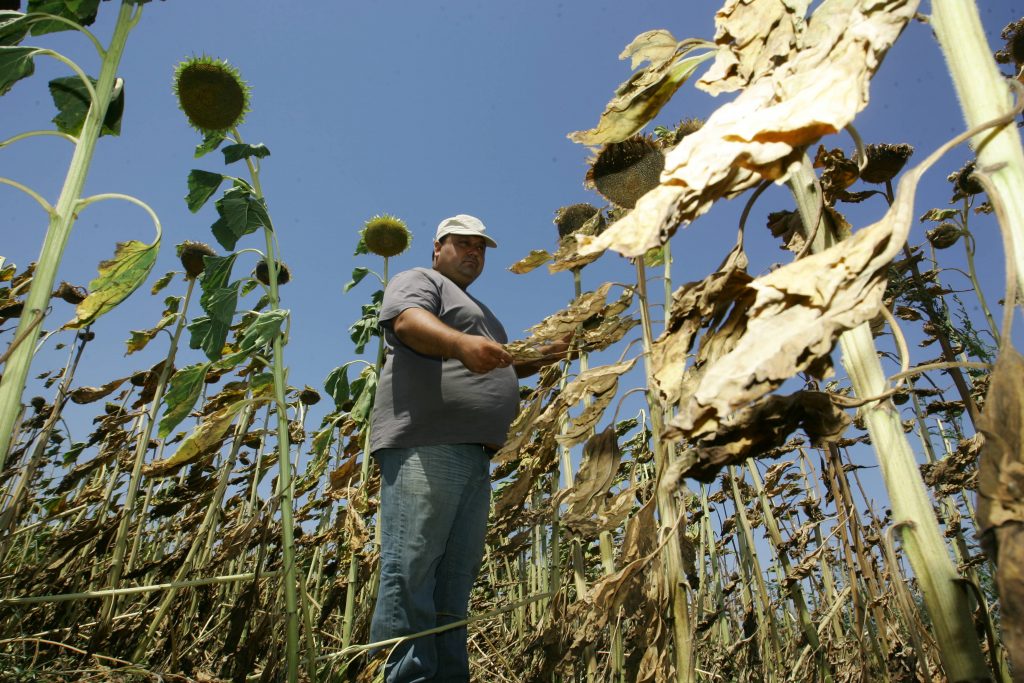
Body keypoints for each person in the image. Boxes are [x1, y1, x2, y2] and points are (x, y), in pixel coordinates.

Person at [367, 214, 566, 682]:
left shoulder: (483, 313)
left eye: (481, 247)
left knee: (454, 581)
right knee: (413, 567)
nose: (474, 253)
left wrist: (557, 347)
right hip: (427, 444)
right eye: (463, 244)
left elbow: (506, 363)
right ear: (438, 248)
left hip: (476, 457)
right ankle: (402, 676)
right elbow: (408, 322)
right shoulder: (420, 281)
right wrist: (459, 344)